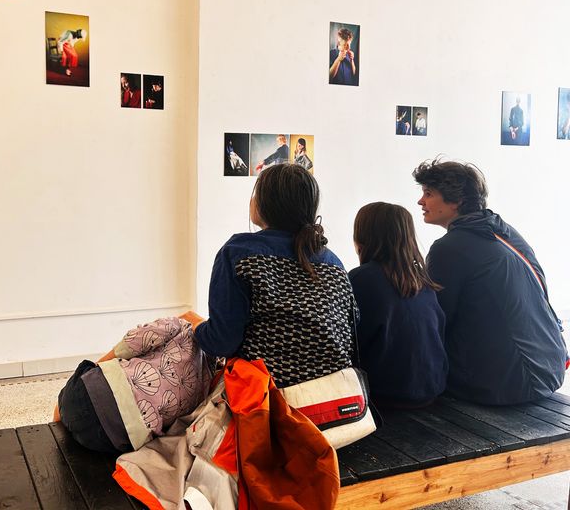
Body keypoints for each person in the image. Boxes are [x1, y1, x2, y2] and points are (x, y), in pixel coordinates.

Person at [413, 159, 567, 405]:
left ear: (456, 201)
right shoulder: (505, 232)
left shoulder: (449, 248)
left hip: (507, 383)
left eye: (428, 194)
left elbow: (435, 318)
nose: (421, 201)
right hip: (550, 368)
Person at [195, 163, 356, 391]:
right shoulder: (334, 263)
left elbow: (222, 341)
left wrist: (195, 329)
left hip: (268, 401)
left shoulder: (238, 252)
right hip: (335, 400)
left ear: (265, 203)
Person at [55, 316, 211, 454]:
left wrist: (97, 366)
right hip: (111, 439)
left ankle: (57, 424)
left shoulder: (182, 326)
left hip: (88, 394)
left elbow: (132, 342)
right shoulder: (208, 384)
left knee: (75, 392)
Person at [349, 202, 448, 407]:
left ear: (362, 237)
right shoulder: (423, 281)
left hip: (385, 394)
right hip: (432, 388)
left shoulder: (361, 279)